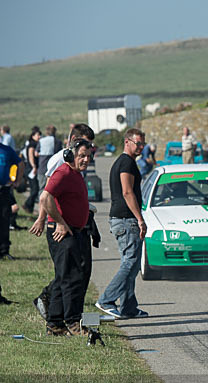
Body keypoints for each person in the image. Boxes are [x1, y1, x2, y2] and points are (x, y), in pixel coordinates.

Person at [31, 124, 97, 321]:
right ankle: (56, 312)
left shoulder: (76, 166)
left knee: (77, 272)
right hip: (62, 226)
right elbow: (47, 193)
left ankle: (61, 318)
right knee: (68, 275)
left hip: (77, 225)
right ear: (72, 143)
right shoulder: (62, 163)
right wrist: (44, 219)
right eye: (83, 148)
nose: (86, 156)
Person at [95, 128, 148, 319]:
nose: (141, 147)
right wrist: (140, 219)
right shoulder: (126, 163)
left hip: (123, 219)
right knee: (131, 263)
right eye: (138, 143)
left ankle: (128, 307)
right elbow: (127, 192)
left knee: (131, 264)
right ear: (127, 142)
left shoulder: (126, 162)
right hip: (126, 219)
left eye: (143, 144)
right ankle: (107, 300)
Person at [0, 142, 22, 260]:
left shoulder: (7, 150)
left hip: (3, 190)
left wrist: (17, 181)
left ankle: (4, 251)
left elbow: (20, 163)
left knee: (4, 219)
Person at [23, 127, 41, 213]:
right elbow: (30, 156)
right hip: (30, 169)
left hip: (32, 169)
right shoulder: (32, 144)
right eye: (38, 135)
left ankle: (30, 208)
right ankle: (27, 205)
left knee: (35, 189)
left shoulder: (35, 143)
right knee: (35, 189)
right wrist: (34, 166)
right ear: (33, 135)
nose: (39, 136)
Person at [36, 125, 57, 197]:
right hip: (53, 169)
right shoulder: (57, 141)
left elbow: (36, 153)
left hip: (42, 167)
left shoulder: (41, 141)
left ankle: (41, 207)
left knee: (42, 189)